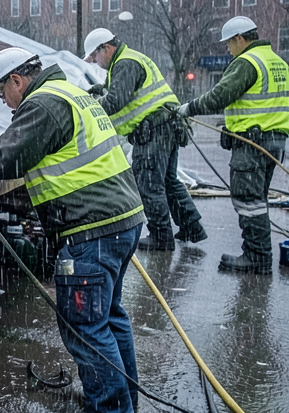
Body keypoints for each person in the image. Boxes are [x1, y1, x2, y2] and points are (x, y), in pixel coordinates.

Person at [0, 47, 144, 413]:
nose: (4, 102)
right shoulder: (68, 94)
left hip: (90, 231)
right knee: (108, 319)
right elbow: (22, 147)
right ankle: (122, 403)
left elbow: (4, 161)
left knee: (85, 328)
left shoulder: (43, 104)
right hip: (119, 222)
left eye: (2, 93)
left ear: (16, 80)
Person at [178, 16, 289, 274]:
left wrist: (189, 108)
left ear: (240, 38)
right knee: (258, 199)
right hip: (273, 141)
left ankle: (257, 257)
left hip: (252, 144)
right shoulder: (277, 62)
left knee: (248, 201)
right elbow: (261, 104)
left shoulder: (247, 62)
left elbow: (220, 96)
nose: (228, 49)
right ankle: (258, 254)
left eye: (229, 43)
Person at [83, 28, 206, 250]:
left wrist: (88, 107)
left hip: (153, 130)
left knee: (148, 184)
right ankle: (191, 226)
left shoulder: (125, 63)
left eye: (94, 56)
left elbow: (115, 101)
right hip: (166, 126)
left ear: (106, 48)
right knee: (168, 181)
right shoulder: (129, 59)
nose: (94, 62)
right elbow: (125, 90)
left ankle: (160, 237)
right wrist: (102, 88)